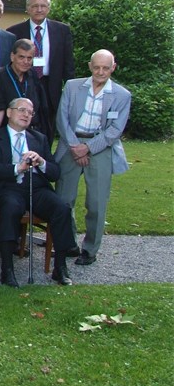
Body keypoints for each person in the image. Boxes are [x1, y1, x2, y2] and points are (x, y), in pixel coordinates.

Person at [0, 97, 77, 287]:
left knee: (62, 209)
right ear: (9, 112)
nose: (26, 115)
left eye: (30, 112)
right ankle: (7, 269)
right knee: (11, 207)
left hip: (36, 187)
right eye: (21, 110)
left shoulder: (39, 138)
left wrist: (41, 162)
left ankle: (60, 267)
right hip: (8, 187)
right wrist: (18, 168)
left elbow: (55, 173)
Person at [54, 50, 131, 266]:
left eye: (106, 68)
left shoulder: (122, 95)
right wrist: (75, 146)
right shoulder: (72, 86)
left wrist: (87, 148)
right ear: (89, 66)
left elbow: (115, 130)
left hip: (100, 147)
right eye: (96, 67)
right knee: (63, 200)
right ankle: (68, 243)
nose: (100, 72)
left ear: (113, 68)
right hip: (70, 144)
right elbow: (61, 118)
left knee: (96, 202)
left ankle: (90, 249)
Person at [8, 0, 75, 133]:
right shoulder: (14, 32)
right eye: (35, 6)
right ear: (27, 8)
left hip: (51, 85)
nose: (39, 10)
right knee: (22, 121)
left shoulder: (62, 30)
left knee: (48, 125)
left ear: (49, 8)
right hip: (24, 82)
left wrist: (70, 90)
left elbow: (68, 64)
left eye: (43, 6)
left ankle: (45, 154)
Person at [0, 39, 50, 136]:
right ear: (12, 57)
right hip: (8, 133)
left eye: (29, 58)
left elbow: (41, 105)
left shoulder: (32, 74)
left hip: (32, 132)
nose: (26, 62)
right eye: (21, 57)